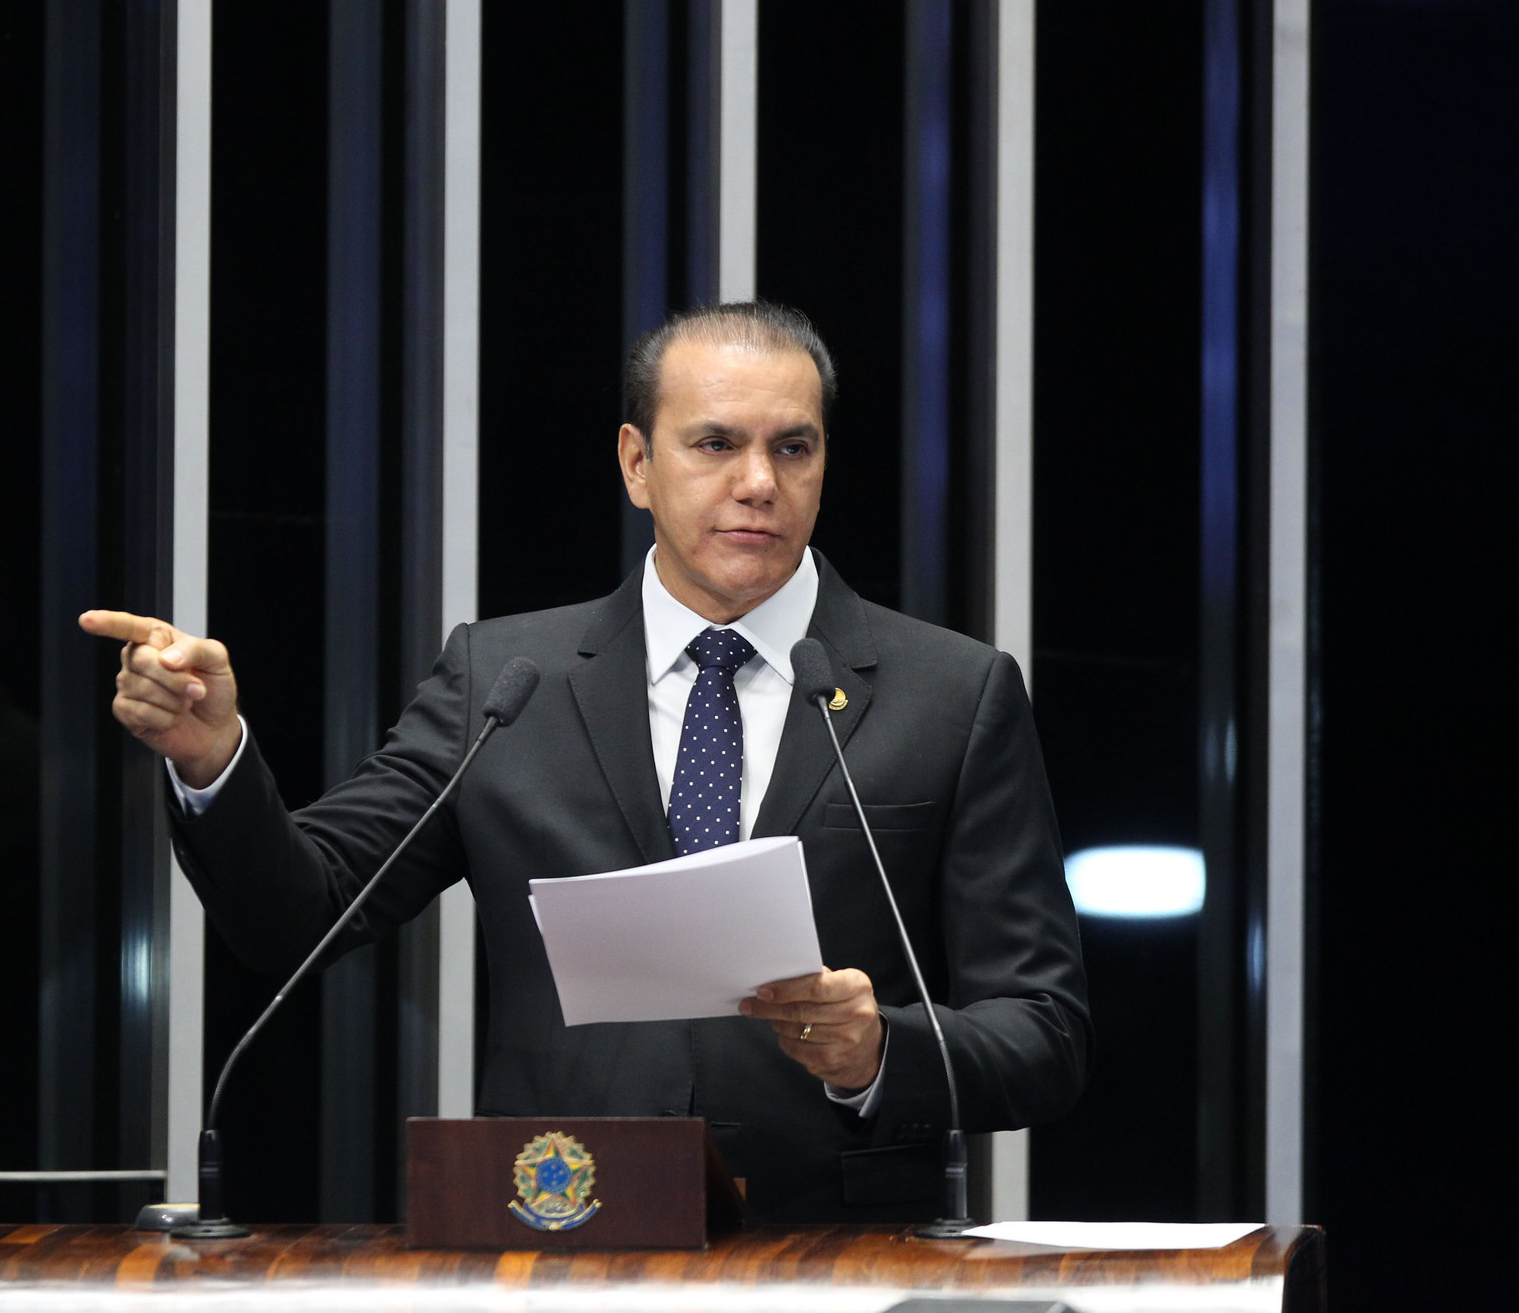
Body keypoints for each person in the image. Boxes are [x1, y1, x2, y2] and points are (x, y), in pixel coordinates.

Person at [81, 301, 1089, 1221]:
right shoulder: (504, 681)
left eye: (793, 447)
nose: (758, 483)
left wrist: (879, 1050)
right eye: (715, 444)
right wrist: (213, 762)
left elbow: (1044, 1034)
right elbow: (299, 912)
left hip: (838, 1249)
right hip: (559, 1229)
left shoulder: (950, 694)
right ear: (636, 463)